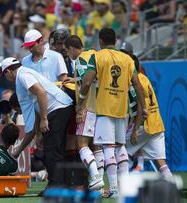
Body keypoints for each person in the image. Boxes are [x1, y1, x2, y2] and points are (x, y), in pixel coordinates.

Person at [76, 28, 147, 198]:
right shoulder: (127, 59)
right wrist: (143, 107)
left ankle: (114, 188)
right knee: (120, 147)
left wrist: (81, 100)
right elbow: (137, 84)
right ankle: (123, 187)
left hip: (104, 109)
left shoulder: (98, 56)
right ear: (115, 40)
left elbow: (86, 83)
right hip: (122, 109)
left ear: (100, 41)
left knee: (108, 148)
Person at [0, 57, 74, 190]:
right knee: (52, 149)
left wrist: (44, 119)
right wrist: (19, 150)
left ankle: (55, 187)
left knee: (52, 150)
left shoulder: (22, 75)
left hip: (58, 109)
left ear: (8, 72)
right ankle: (56, 184)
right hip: (59, 108)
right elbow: (32, 129)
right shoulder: (23, 77)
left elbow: (41, 92)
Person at [65, 35, 104, 190]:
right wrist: (75, 80)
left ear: (72, 48)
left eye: (67, 52)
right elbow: (93, 78)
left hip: (88, 107)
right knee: (96, 146)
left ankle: (95, 176)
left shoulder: (80, 60)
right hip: (101, 107)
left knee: (81, 145)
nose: (69, 55)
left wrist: (80, 108)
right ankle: (101, 181)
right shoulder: (94, 55)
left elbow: (86, 84)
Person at [123, 54, 172, 178]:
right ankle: (172, 184)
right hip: (157, 125)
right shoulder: (144, 78)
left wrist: (135, 130)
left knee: (119, 147)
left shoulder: (135, 82)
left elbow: (140, 107)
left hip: (145, 125)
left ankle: (117, 185)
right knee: (161, 163)